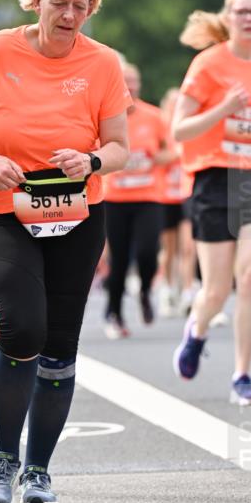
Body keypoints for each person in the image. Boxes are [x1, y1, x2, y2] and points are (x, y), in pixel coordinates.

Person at [0, 0, 129, 503]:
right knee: (22, 330)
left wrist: (91, 161)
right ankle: (4, 459)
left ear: (90, 9)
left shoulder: (103, 63)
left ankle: (39, 471)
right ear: (35, 1)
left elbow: (120, 147)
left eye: (80, 6)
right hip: (3, 209)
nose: (69, 15)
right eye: (59, 3)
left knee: (60, 347)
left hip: (76, 214)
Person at [171, 0, 251, 406]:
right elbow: (179, 129)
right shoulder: (208, 64)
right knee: (217, 290)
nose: (249, 18)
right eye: (241, 12)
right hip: (215, 177)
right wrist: (223, 109)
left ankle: (242, 375)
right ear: (228, 17)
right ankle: (197, 330)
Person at [103, 63, 172, 337]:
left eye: (134, 81)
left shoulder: (154, 117)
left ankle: (145, 291)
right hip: (114, 198)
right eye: (125, 82)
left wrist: (151, 158)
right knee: (118, 258)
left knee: (147, 251)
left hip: (148, 197)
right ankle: (115, 312)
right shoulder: (105, 116)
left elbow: (173, 152)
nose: (131, 87)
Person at [157, 87, 196, 318]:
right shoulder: (160, 128)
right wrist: (176, 154)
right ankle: (168, 288)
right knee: (169, 249)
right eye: (172, 103)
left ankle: (188, 292)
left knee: (188, 247)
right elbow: (154, 157)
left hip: (186, 193)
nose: (175, 107)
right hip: (164, 195)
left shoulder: (189, 127)